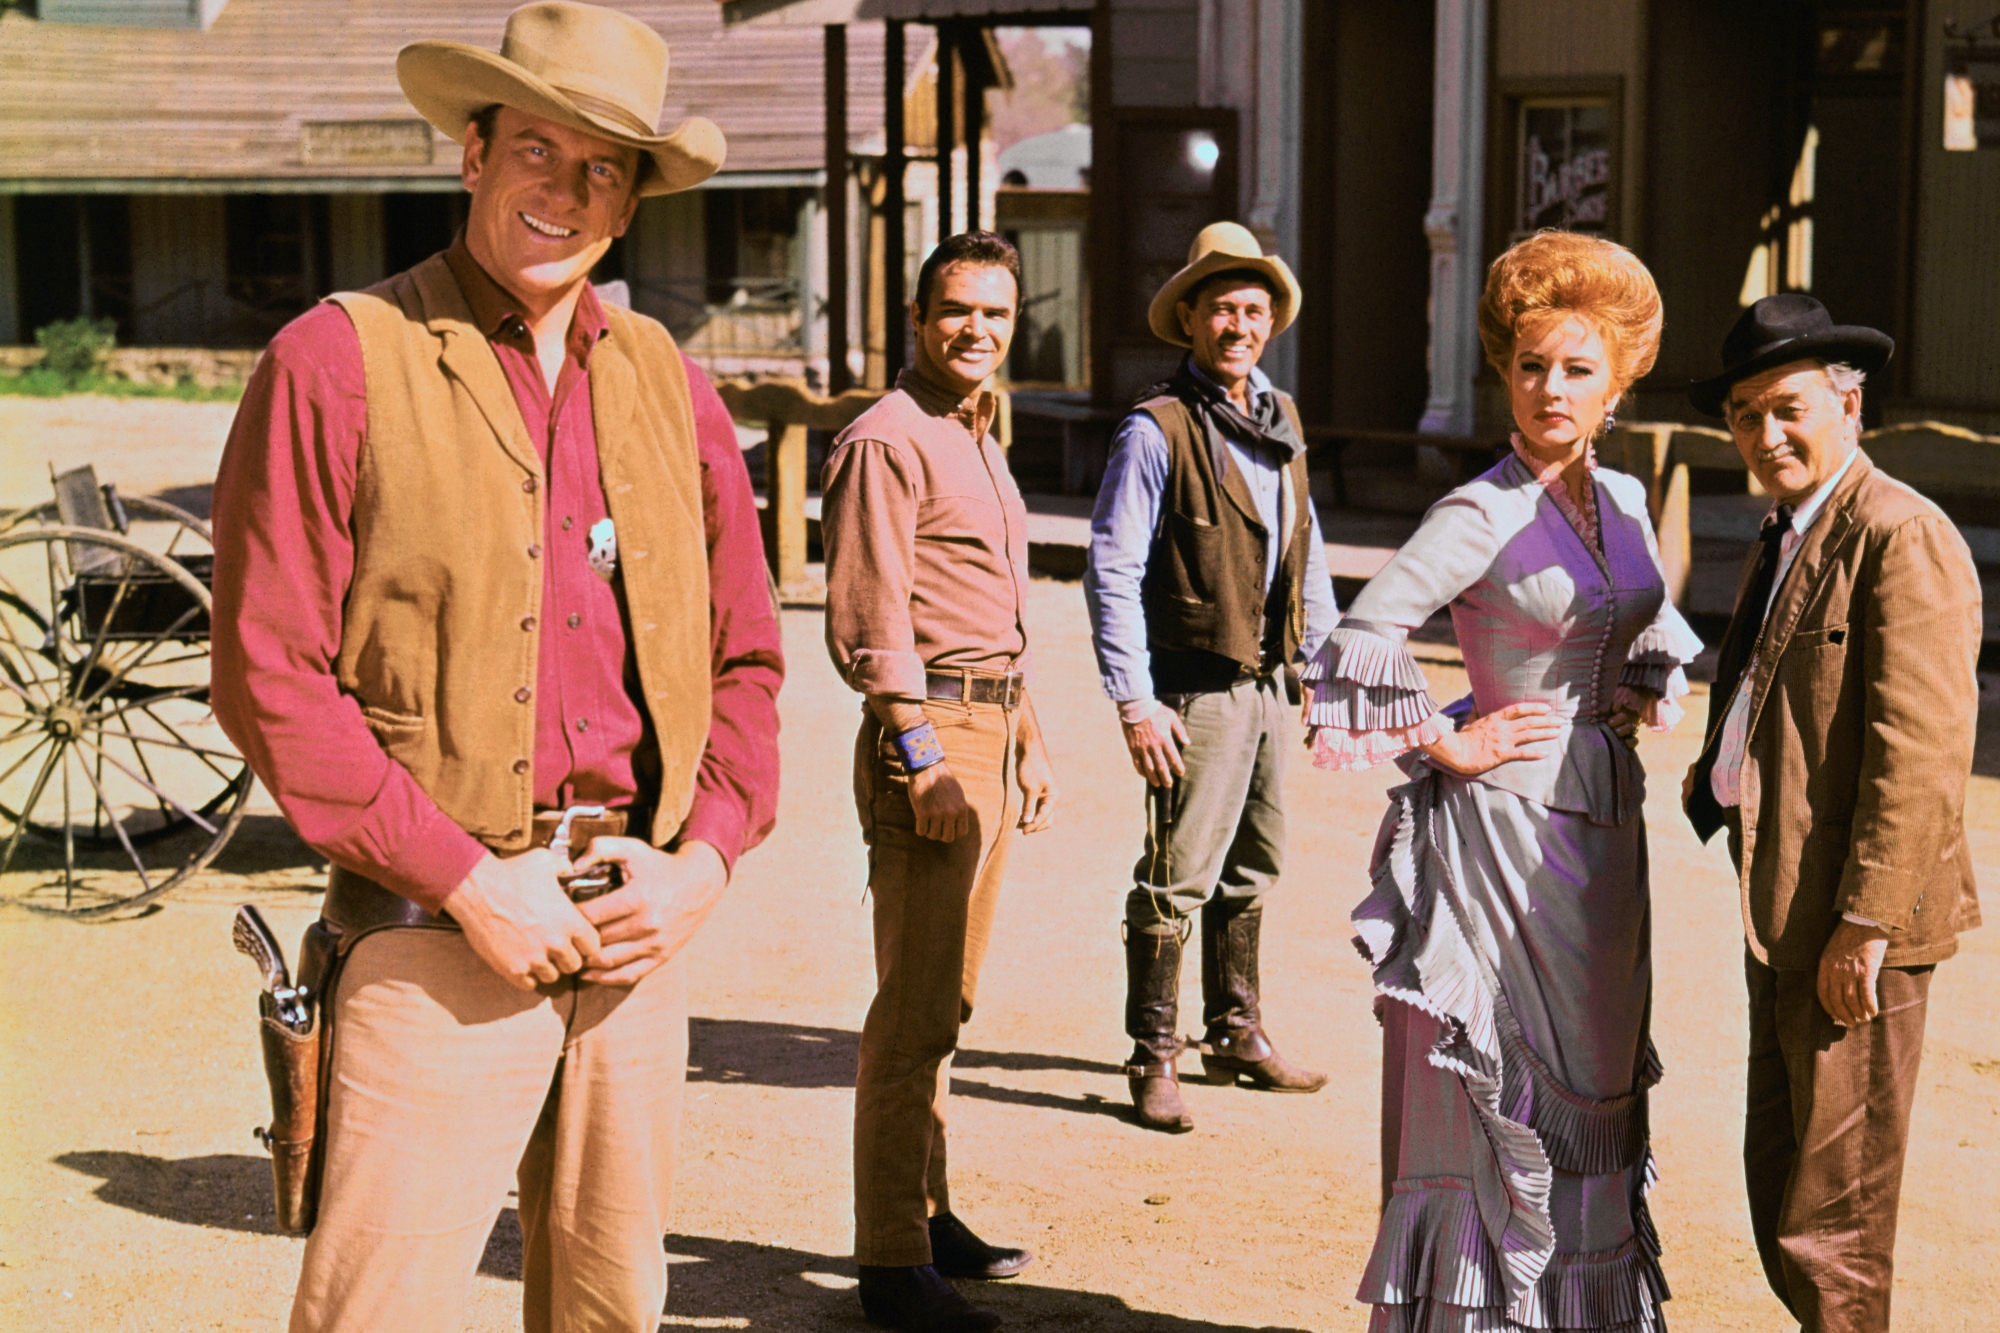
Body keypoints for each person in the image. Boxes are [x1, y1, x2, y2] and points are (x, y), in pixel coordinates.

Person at [208, 5, 784, 1329]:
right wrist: (472, 881)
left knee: (611, 1311)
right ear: (471, 153)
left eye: (603, 168)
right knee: (378, 1312)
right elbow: (268, 676)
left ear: (633, 203)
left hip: (634, 924)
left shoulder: (669, 383)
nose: (566, 192)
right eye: (538, 149)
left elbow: (747, 660)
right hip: (431, 929)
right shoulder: (336, 360)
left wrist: (702, 865)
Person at [1304, 230, 1699, 1330]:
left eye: (1575, 367)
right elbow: (1354, 638)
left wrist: (1630, 685)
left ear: (1618, 375)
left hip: (1603, 838)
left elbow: (1648, 617)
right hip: (1497, 837)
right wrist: (1445, 740)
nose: (1548, 389)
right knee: (1500, 1091)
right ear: (1503, 373)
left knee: (1600, 1089)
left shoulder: (1618, 496)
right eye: (1529, 366)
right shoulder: (1479, 508)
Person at [1682, 294, 1981, 1333]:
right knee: (1784, 1187)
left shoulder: (1899, 534)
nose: (1765, 434)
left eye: (1788, 408)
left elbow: (1922, 756)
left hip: (1855, 924)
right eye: (1744, 413)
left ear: (1847, 405)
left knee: (1834, 1218)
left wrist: (1865, 923)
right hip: (1787, 905)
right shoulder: (1790, 530)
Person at [821, 230, 1058, 1333]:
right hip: (932, 741)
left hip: (991, 727)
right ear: (917, 321)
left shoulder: (977, 431)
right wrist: (921, 759)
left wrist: (1030, 735)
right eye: (956, 310)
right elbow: (870, 621)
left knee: (946, 1005)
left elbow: (986, 609)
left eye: (996, 314)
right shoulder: (887, 440)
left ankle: (926, 1216)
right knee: (909, 1013)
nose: (976, 329)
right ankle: (886, 1265)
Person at [1083, 221, 1339, 1134]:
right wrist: (1134, 700)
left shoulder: (1281, 416)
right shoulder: (1155, 431)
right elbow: (1110, 569)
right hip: (1193, 685)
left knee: (1255, 865)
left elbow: (1305, 549)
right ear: (1188, 317)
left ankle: (1237, 1032)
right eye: (1222, 308)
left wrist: (1325, 661)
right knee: (1176, 874)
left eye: (1254, 309)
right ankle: (1153, 1055)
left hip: (1270, 681)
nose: (1238, 325)